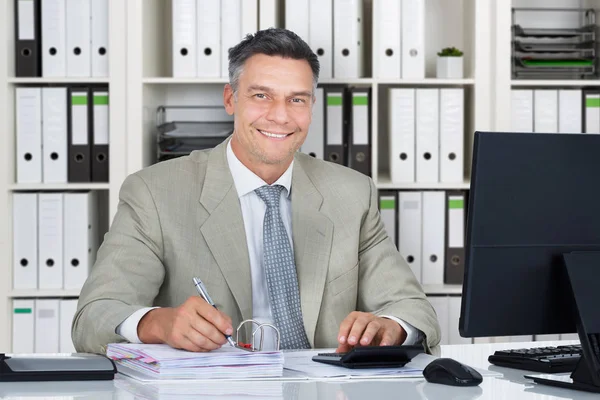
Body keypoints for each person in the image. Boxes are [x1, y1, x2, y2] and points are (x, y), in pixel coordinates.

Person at [72, 28, 441, 355]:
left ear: (312, 107)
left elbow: (413, 308)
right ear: (231, 100)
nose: (280, 116)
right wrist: (158, 323)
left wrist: (392, 326)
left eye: (296, 99)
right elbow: (94, 316)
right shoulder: (155, 193)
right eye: (262, 96)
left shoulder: (352, 193)